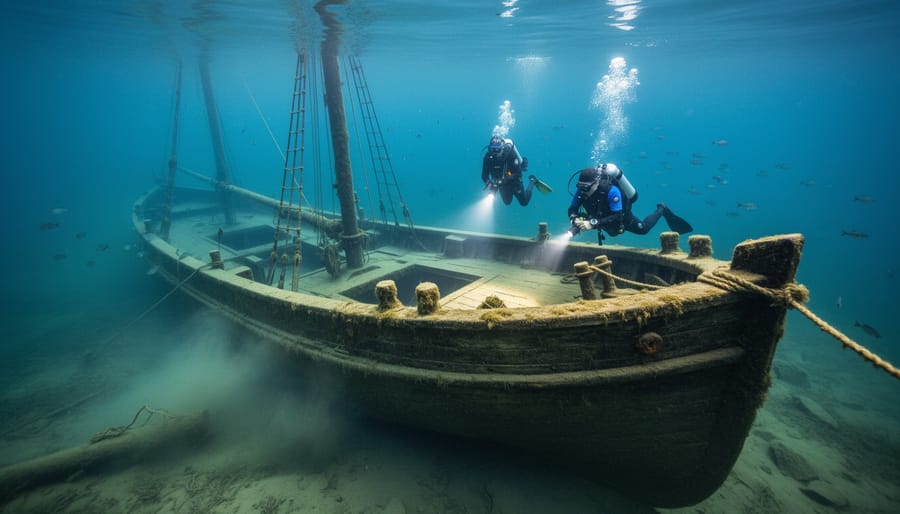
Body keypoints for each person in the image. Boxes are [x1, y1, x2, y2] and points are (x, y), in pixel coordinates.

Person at [567, 163, 692, 244]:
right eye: (580, 186)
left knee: (643, 229)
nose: (583, 190)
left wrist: (593, 223)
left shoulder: (612, 191)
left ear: (596, 183)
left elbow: (618, 215)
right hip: (599, 218)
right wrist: (573, 218)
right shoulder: (581, 191)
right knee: (612, 233)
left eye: (586, 187)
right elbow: (572, 208)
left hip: (621, 217)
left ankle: (662, 209)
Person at [482, 135, 550, 206]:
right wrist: (489, 184)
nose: (495, 153)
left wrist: (502, 180)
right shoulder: (488, 158)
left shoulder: (509, 153)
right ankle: (507, 189)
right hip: (501, 184)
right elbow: (484, 175)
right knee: (507, 202)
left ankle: (532, 181)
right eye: (493, 149)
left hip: (514, 181)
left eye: (497, 149)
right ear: (489, 149)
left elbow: (518, 172)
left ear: (502, 148)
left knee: (524, 202)